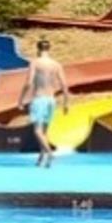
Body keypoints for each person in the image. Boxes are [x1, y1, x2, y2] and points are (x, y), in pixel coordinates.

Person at [18, 38, 71, 168]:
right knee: (44, 132)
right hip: (51, 100)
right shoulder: (56, 64)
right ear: (49, 49)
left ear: (38, 49)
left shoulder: (35, 63)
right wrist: (66, 102)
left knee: (37, 131)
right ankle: (42, 159)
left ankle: (49, 153)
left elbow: (28, 83)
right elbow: (64, 84)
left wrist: (21, 99)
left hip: (39, 98)